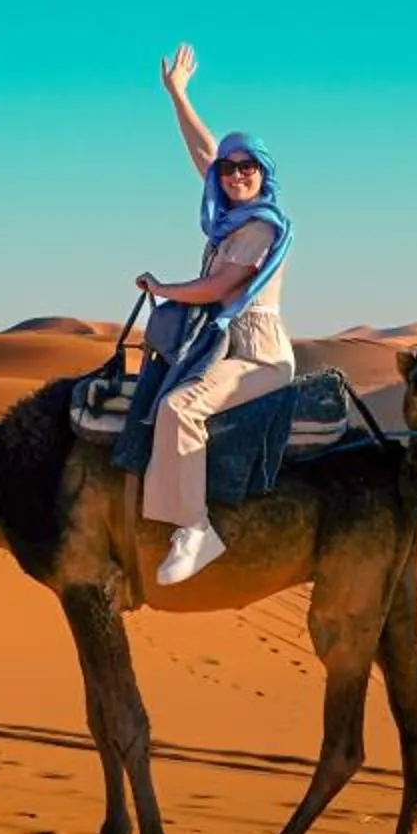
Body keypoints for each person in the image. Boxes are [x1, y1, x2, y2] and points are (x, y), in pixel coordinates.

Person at [136, 43, 294, 586]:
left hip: (259, 357)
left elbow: (220, 286)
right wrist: (178, 95)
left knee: (181, 407)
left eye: (247, 167)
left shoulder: (260, 228)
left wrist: (163, 288)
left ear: (262, 173)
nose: (234, 175)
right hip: (221, 347)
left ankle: (196, 530)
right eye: (230, 169)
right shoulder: (230, 217)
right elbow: (206, 154)